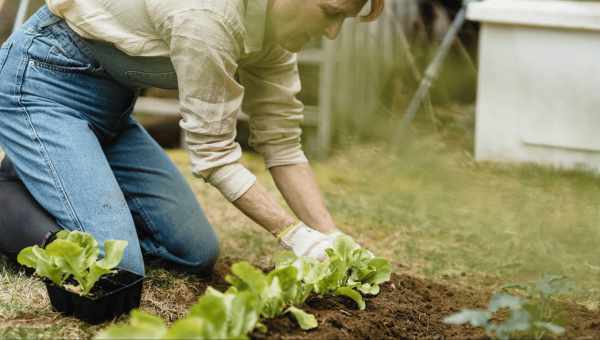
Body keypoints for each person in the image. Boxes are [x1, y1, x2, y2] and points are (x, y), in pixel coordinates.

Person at [0, 0, 384, 276]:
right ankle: (11, 193)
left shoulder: (272, 38)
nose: (333, 33)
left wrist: (331, 238)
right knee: (116, 267)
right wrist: (294, 234)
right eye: (331, 13)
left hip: (110, 113)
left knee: (193, 253)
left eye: (344, 21)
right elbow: (214, 156)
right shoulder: (208, 14)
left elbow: (282, 143)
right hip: (41, 85)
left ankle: (43, 170)